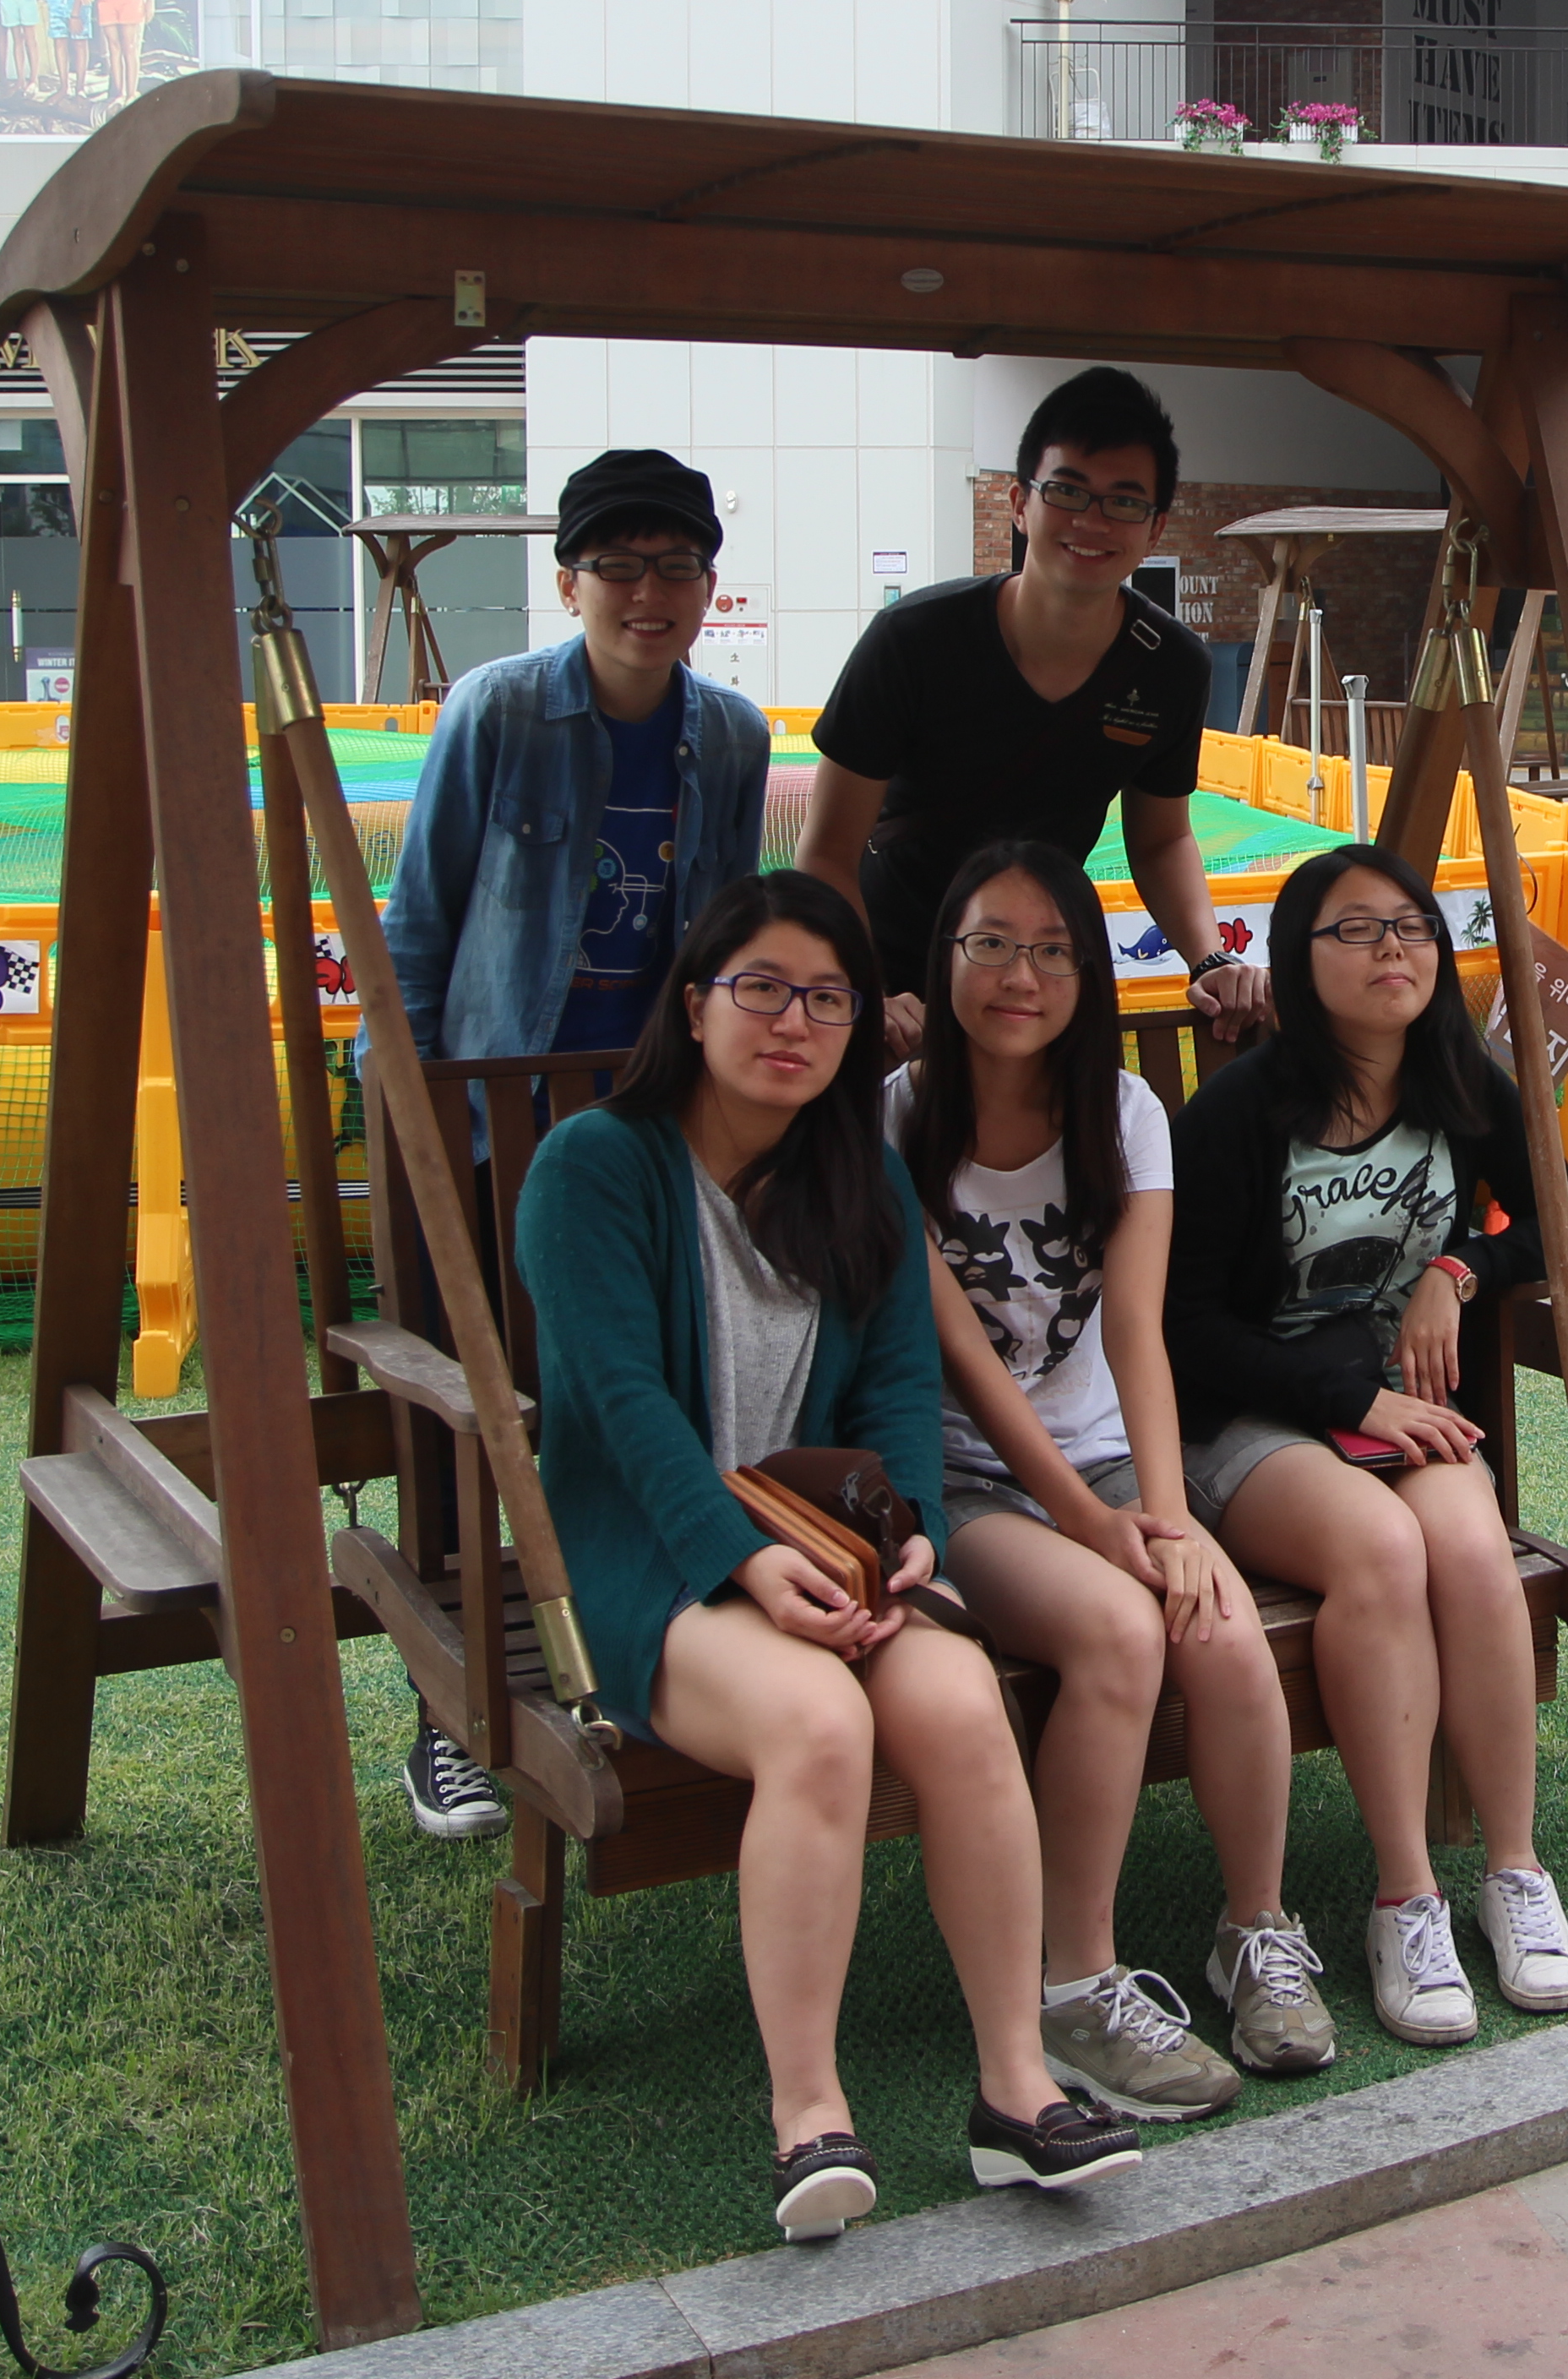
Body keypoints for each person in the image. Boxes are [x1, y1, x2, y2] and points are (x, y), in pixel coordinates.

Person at [516, 870, 1141, 2237]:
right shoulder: (595, 1168)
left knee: (965, 1711)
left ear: (861, 1023)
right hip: (660, 1564)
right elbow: (620, 1407)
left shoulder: (849, 1174)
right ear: (695, 1004)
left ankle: (1014, 2089)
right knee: (817, 1726)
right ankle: (809, 2112)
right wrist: (744, 1567)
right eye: (761, 989)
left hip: (830, 1555)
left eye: (826, 998)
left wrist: (904, 1540)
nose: (791, 1022)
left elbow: (895, 1395)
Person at [887, 840, 1328, 2104]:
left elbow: (1134, 1330)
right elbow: (959, 1354)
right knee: (1120, 1637)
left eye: (1050, 950)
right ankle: (1076, 1984)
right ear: (946, 959)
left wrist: (1174, 1520)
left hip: (1114, 1461)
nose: (1019, 974)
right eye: (990, 945)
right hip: (971, 1486)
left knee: (1226, 1633)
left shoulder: (1128, 1112)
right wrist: (1091, 1521)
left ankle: (1258, 1934)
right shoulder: (896, 1117)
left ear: (1088, 971)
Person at [374, 447, 770, 1842]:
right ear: (569, 582)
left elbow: (723, 942)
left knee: (646, 1396)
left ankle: (658, 1654)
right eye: (618, 567)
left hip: (645, 1132)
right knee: (485, 1411)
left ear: (709, 586)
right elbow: (417, 930)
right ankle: (452, 1713)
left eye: (675, 568)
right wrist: (425, 1125)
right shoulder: (495, 712)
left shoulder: (730, 737)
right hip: (495, 1128)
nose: (648, 594)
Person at [1162, 844, 1568, 2048]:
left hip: (1397, 1408)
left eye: (1411, 928)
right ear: (1298, 964)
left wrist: (1458, 1272)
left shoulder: (1462, 1081)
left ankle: (1512, 1871)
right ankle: (1404, 1894)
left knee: (1469, 1549)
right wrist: (1344, 1393)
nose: (1393, 951)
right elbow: (1184, 1325)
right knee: (1381, 1553)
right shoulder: (1242, 1116)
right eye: (1354, 931)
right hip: (1254, 1414)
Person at [799, 367, 1267, 1054]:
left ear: (1156, 526)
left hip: (1046, 968)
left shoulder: (1171, 665)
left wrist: (1209, 960)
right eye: (1067, 491)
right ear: (1020, 503)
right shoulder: (913, 639)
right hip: (899, 972)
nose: (1092, 521)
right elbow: (827, 849)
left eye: (1124, 502)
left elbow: (1162, 837)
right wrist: (864, 988)